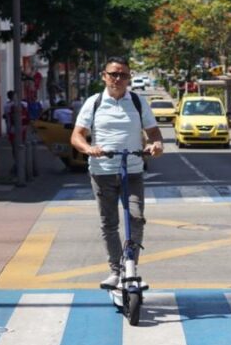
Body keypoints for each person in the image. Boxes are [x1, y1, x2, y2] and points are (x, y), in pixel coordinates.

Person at [70, 56, 164, 289]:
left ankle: (131, 265)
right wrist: (89, 149)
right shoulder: (94, 102)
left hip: (132, 170)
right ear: (104, 76)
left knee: (136, 219)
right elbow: (76, 135)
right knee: (109, 223)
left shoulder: (137, 102)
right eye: (113, 74)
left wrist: (156, 146)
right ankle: (115, 269)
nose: (118, 79)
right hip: (102, 171)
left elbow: (154, 134)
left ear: (129, 77)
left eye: (123, 75)